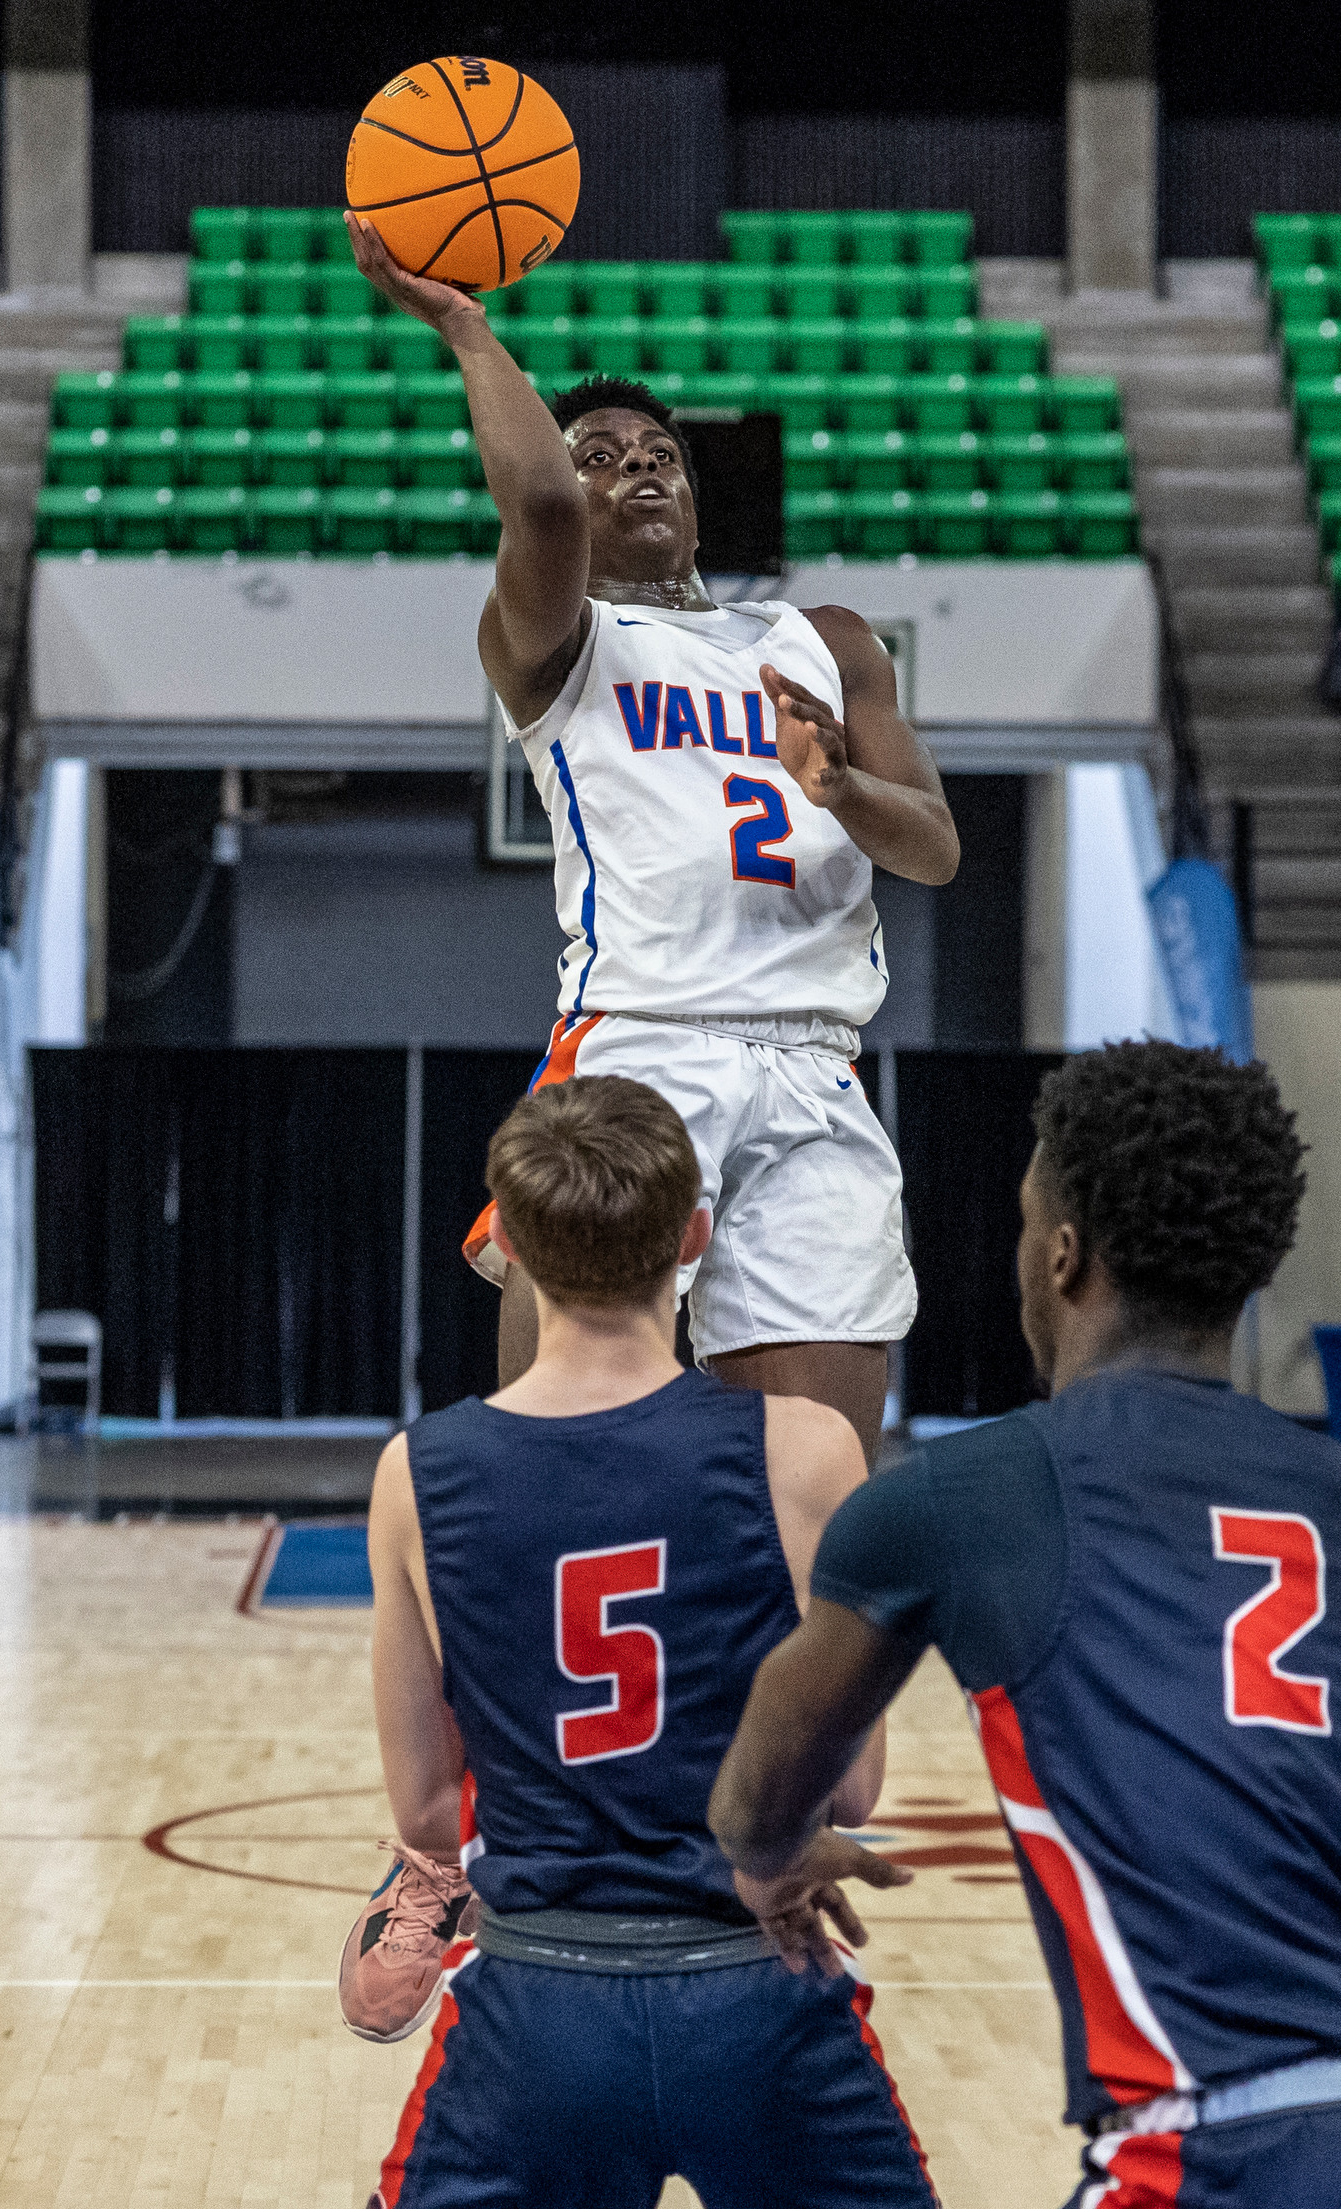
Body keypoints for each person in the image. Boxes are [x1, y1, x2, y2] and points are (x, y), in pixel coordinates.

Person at [343, 210, 960, 1473]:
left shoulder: (830, 640)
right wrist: (464, 324)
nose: (637, 467)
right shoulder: (560, 644)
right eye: (602, 453)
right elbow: (534, 505)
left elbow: (936, 848)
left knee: (818, 1484)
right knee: (570, 1456)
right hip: (645, 1037)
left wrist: (838, 784)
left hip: (814, 1060)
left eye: (659, 452)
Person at [709, 1040, 1341, 2209]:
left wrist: (772, 1854)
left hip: (1205, 2155)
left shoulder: (962, 1497)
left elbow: (754, 1798)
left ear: (1061, 1255)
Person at [349, 1075, 942, 2209]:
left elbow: (427, 1813)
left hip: (536, 2001)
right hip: (760, 1985)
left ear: (507, 1243)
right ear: (696, 1235)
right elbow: (853, 1784)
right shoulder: (806, 1447)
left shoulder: (416, 1472)